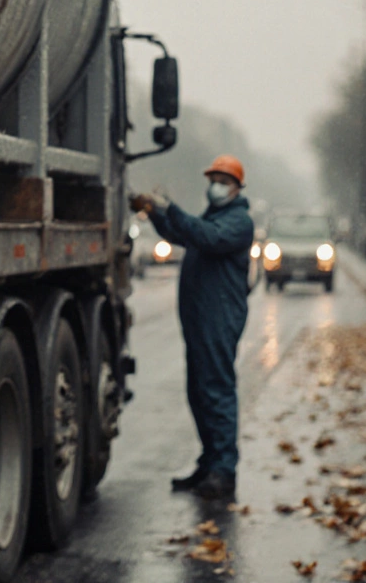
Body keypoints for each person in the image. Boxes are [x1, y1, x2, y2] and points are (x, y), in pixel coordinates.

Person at [130, 155, 254, 500]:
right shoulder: (214, 217)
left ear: (236, 188)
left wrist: (172, 207)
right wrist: (155, 212)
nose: (215, 185)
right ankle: (209, 463)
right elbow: (181, 233)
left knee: (216, 390)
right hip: (201, 318)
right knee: (199, 393)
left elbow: (205, 237)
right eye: (213, 178)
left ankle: (224, 470)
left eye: (223, 180)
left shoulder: (238, 221)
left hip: (219, 318)